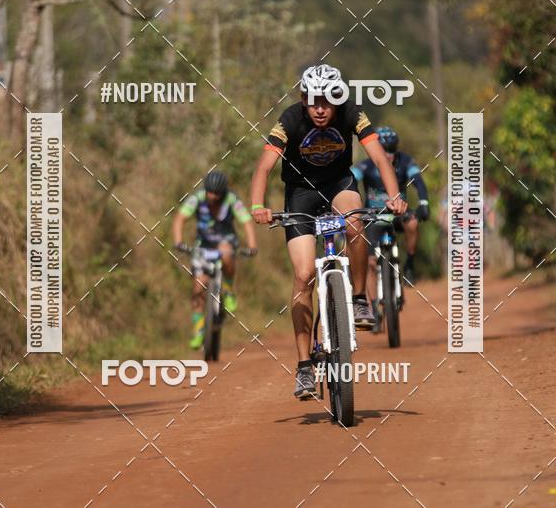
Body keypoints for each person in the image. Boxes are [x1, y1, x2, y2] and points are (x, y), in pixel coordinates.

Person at [250, 65, 407, 399]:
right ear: (302, 99)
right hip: (300, 194)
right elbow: (264, 166)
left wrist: (394, 196)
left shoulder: (352, 113)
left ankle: (361, 298)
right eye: (312, 101)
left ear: (339, 99)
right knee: (304, 274)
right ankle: (304, 365)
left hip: (339, 185)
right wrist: (257, 206)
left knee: (354, 219)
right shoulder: (291, 119)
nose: (320, 108)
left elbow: (379, 158)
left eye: (327, 100)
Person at [172, 171, 257, 349]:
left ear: (223, 192)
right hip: (203, 246)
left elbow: (246, 221)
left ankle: (228, 288)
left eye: (216, 194)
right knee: (198, 287)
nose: (212, 197)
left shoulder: (232, 200)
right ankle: (198, 330)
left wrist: (252, 244)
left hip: (226, 242)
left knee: (226, 251)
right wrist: (178, 241)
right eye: (210, 192)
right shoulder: (197, 199)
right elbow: (180, 217)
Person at [351, 126, 429, 298]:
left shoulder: (406, 162)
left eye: (392, 149)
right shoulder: (365, 166)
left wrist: (423, 202)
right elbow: (351, 180)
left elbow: (419, 182)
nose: (388, 154)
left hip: (397, 215)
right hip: (374, 217)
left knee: (413, 222)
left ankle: (409, 262)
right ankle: (372, 307)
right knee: (370, 262)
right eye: (384, 150)